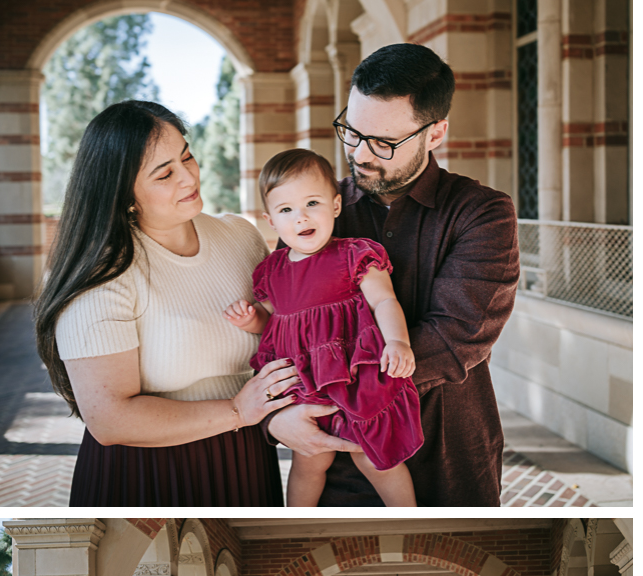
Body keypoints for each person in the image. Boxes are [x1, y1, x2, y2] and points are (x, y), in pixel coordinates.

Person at [34, 99, 348, 507]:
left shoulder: (241, 236)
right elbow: (110, 419)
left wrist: (276, 416)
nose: (188, 178)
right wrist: (238, 411)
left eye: (187, 157)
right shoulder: (102, 276)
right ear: (123, 192)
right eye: (165, 174)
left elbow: (287, 339)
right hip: (147, 473)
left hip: (246, 460)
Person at [266, 43, 520, 506]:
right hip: (335, 460)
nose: (361, 153)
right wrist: (274, 416)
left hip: (447, 458)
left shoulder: (483, 213)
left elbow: (453, 338)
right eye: (352, 131)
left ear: (436, 132)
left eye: (384, 143)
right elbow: (285, 325)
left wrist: (327, 384)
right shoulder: (312, 211)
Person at [224, 149, 423, 507]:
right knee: (309, 459)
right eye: (286, 210)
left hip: (354, 377)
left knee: (373, 456)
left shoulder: (354, 255)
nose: (301, 217)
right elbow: (271, 324)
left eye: (311, 203)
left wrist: (397, 342)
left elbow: (384, 302)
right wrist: (249, 319)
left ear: (335, 205)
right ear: (271, 221)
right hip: (306, 380)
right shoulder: (273, 270)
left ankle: (408, 515)